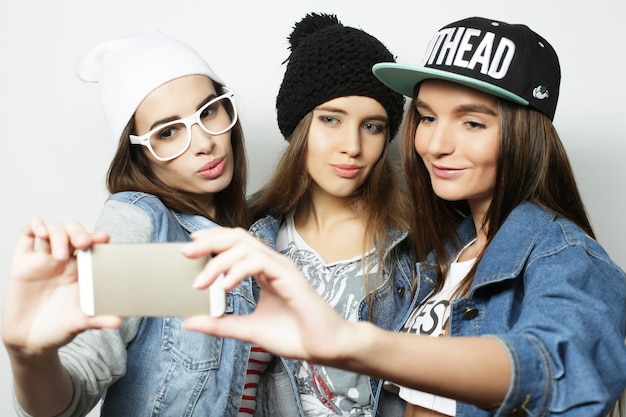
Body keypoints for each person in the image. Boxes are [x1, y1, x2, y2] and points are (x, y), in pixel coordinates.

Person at [182, 16, 626, 417]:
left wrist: (356, 344)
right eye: (428, 118)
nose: (435, 145)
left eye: (472, 123)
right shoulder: (448, 251)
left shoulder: (562, 254)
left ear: (525, 135)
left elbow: (556, 366)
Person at [2, 27, 258, 416]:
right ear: (139, 154)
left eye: (208, 111)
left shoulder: (259, 235)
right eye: (168, 132)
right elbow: (78, 381)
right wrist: (29, 356)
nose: (204, 142)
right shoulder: (142, 222)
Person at [246, 12, 415, 416]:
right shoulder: (252, 237)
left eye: (372, 126)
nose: (352, 146)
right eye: (331, 120)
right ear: (299, 126)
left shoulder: (415, 244)